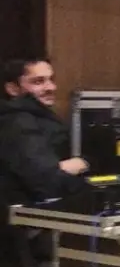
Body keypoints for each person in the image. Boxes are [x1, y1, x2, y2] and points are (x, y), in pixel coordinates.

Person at [0, 58, 91, 228]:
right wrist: (82, 164)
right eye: (38, 82)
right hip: (21, 224)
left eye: (51, 80)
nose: (51, 87)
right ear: (12, 89)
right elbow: (46, 179)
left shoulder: (37, 117)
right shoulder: (17, 121)